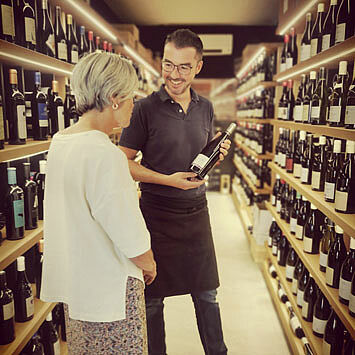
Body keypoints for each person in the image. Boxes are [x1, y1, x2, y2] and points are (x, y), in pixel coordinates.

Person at [119, 29, 229, 355]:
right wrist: (169, 180)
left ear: (198, 67)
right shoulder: (143, 109)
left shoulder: (206, 108)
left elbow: (197, 155)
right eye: (168, 64)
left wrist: (213, 159)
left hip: (197, 211)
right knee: (153, 300)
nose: (173, 74)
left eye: (183, 66)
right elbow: (123, 161)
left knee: (207, 294)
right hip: (156, 213)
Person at [40, 52, 156, 355]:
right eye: (131, 96)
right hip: (110, 291)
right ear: (114, 98)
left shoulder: (61, 141)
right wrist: (148, 261)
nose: (134, 104)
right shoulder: (105, 154)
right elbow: (126, 227)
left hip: (78, 287)